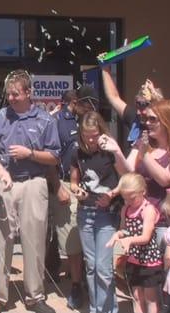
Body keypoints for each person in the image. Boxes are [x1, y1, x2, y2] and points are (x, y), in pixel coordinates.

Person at [0, 70, 60, 313]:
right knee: (1, 240)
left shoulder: (45, 120)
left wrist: (30, 154)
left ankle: (35, 296)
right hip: (4, 182)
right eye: (8, 93)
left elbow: (54, 157)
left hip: (33, 182)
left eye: (16, 93)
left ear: (29, 92)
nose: (11, 98)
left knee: (34, 240)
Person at [70, 111, 128, 313]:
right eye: (87, 135)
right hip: (85, 212)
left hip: (106, 213)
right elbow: (74, 181)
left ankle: (108, 310)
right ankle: (96, 309)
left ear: (101, 131)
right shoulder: (77, 152)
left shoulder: (110, 150)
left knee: (103, 269)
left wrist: (112, 194)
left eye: (94, 134)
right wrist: (76, 191)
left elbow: (127, 178)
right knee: (91, 267)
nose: (91, 139)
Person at [49, 86, 99, 310]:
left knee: (93, 240)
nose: (92, 108)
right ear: (78, 101)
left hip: (95, 187)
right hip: (68, 185)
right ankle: (77, 286)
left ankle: (92, 284)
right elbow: (52, 156)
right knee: (73, 242)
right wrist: (58, 185)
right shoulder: (59, 121)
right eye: (89, 103)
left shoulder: (95, 121)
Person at [125, 99, 170, 251]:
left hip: (167, 221)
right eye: (146, 119)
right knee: (146, 273)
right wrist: (116, 152)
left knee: (168, 270)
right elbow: (128, 171)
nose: (147, 123)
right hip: (143, 218)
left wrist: (144, 154)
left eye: (152, 119)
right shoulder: (144, 144)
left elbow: (166, 179)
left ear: (166, 121)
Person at [106, 173, 163, 313]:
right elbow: (125, 230)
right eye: (125, 198)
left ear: (143, 191)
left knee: (150, 298)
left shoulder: (148, 210)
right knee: (136, 297)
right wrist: (117, 235)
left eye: (132, 198)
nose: (128, 202)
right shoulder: (126, 209)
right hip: (133, 259)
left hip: (149, 260)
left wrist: (129, 240)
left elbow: (146, 237)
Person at [101, 65, 163, 145]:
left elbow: (167, 117)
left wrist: (155, 96)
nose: (138, 112)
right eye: (137, 105)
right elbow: (114, 97)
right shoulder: (135, 118)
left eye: (142, 107)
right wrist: (105, 68)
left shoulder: (165, 127)